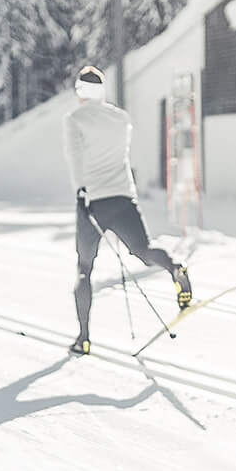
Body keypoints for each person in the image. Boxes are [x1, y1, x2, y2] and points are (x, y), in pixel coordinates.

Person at [62, 63, 190, 354]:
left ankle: (83, 338)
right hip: (123, 198)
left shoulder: (74, 119)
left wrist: (81, 189)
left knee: (84, 269)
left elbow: (75, 157)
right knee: (144, 251)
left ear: (80, 91)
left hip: (92, 201)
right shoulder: (121, 119)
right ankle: (174, 267)